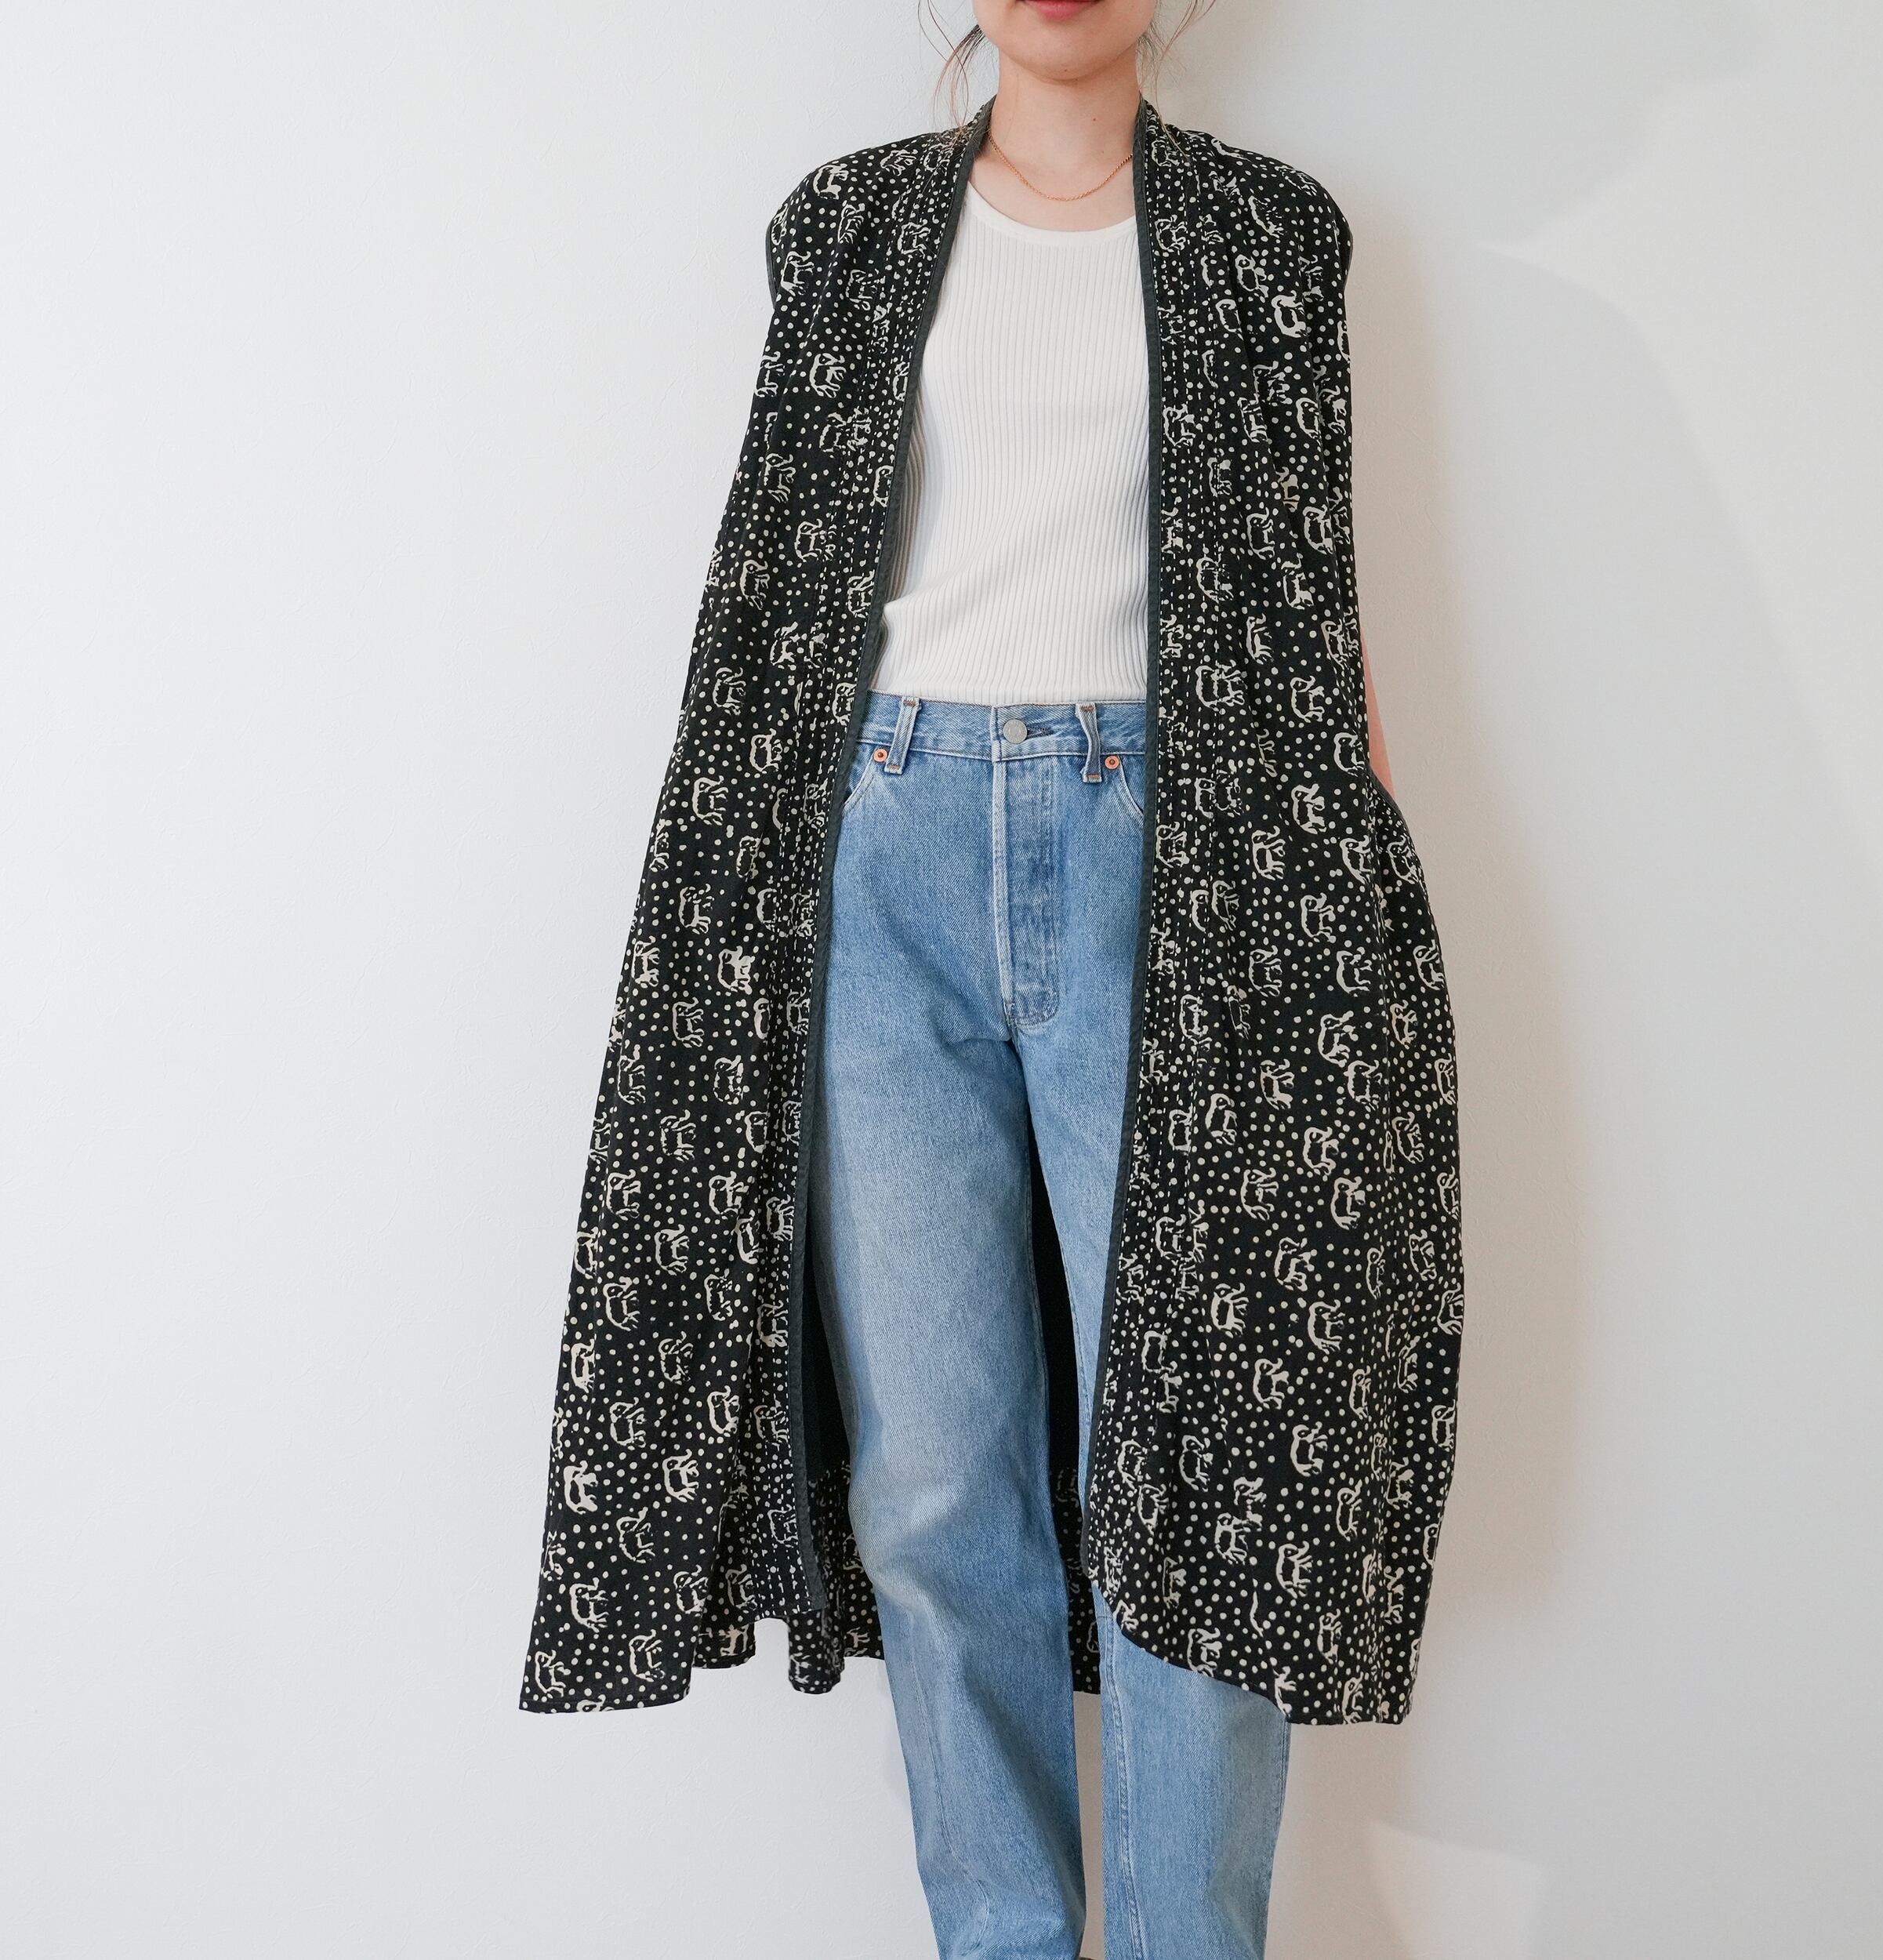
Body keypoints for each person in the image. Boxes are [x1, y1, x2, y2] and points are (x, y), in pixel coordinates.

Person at [521, 6, 1468, 1958]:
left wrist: (1354, 903)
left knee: (1201, 1460)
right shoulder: (844, 227)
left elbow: (1304, 594)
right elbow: (779, 587)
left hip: (1180, 868)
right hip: (879, 850)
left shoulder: (1270, 236)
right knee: (934, 1480)